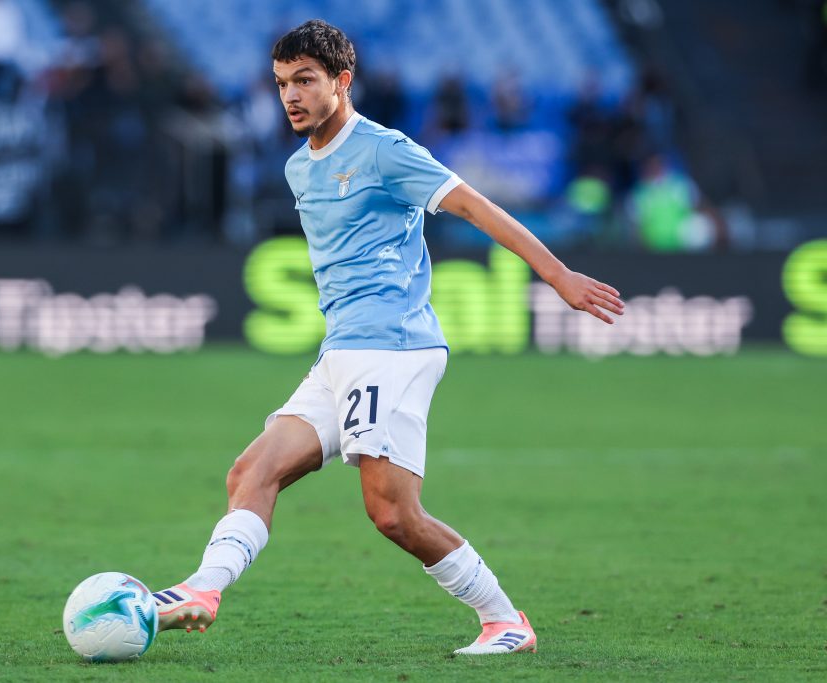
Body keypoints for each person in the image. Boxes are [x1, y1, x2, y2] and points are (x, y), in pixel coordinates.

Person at [152, 20, 624, 656]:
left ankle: (505, 621)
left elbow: (474, 206)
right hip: (341, 351)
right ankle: (203, 590)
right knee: (251, 471)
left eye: (305, 81)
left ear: (342, 81)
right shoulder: (298, 167)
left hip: (393, 347)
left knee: (394, 513)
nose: (290, 95)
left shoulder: (384, 150)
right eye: (282, 83)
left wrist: (557, 274)